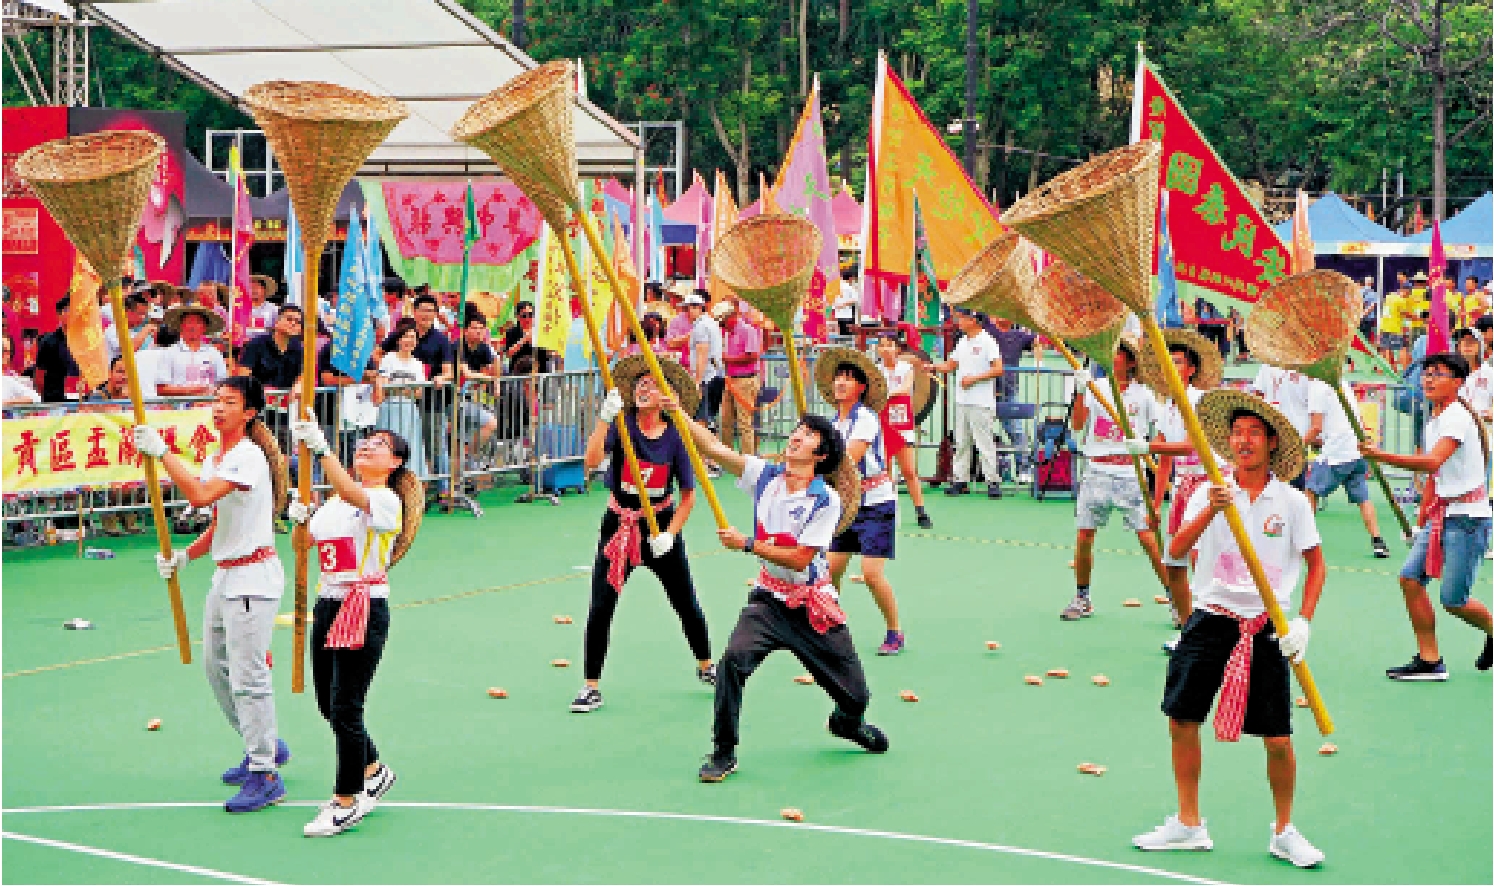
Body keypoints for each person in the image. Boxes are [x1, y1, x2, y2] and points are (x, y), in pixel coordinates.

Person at [1134, 390, 1324, 869]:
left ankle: (1284, 830)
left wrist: (1303, 620)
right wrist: (1211, 509)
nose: (1244, 441)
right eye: (1237, 433)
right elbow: (1174, 551)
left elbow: (1316, 564)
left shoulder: (1293, 501)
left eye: (1254, 433)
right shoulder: (1209, 491)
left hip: (1268, 625)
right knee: (1181, 719)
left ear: (1272, 442)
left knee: (1278, 738)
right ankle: (1188, 823)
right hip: (1211, 616)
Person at [673, 406, 889, 782]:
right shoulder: (766, 476)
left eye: (808, 434)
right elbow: (711, 447)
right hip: (769, 600)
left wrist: (747, 544)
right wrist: (677, 412)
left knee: (856, 697)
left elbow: (801, 558)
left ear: (821, 455)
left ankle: (846, 723)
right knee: (732, 663)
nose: (796, 435)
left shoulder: (826, 500)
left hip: (812, 604)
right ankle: (723, 751)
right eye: (798, 430)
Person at [135, 376, 292, 813]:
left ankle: (264, 772)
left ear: (250, 412)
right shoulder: (215, 456)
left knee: (249, 676)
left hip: (254, 577)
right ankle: (262, 743)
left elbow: (201, 495)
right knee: (214, 666)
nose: (219, 408)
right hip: (226, 574)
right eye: (216, 400)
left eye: (230, 402)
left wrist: (163, 453)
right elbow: (218, 520)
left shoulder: (249, 456)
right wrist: (187, 556)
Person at [288, 417, 422, 837]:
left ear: (395, 462)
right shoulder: (334, 503)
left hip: (363, 604)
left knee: (347, 707)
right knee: (327, 704)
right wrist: (298, 518)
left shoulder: (384, 500)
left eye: (378, 445)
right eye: (364, 442)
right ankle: (374, 769)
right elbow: (304, 546)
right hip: (328, 602)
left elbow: (352, 492)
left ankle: (345, 800)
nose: (366, 447)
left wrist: (321, 450)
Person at [571, 355, 713, 713]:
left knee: (686, 602)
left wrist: (670, 534)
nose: (643, 388)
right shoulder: (622, 424)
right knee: (601, 605)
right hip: (619, 525)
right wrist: (604, 420)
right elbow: (590, 461)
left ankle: (707, 665)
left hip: (660, 526)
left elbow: (689, 497)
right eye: (639, 384)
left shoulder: (675, 437)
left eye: (652, 383)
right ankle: (591, 686)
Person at [1361, 352, 1493, 679]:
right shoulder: (1436, 418)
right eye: (1427, 373)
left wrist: (1380, 455)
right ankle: (1430, 660)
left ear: (1458, 382)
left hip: (1468, 519)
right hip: (1442, 514)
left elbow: (1433, 462)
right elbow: (1438, 475)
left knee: (1454, 601)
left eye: (1439, 374)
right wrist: (1424, 511)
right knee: (1410, 580)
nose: (1429, 379)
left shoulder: (1457, 418)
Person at [1064, 339, 1167, 619]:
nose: (1110, 357)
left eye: (1118, 354)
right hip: (1096, 470)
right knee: (1085, 535)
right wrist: (1080, 392)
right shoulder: (1097, 387)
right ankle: (1082, 597)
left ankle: (1176, 600)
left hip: (1130, 472)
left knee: (1148, 538)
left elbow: (1160, 432)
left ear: (1131, 362)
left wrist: (1147, 447)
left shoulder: (1144, 395)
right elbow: (1077, 424)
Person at [818, 347, 907, 656]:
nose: (841, 383)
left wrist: (814, 464)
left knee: (871, 573)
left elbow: (847, 461)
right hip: (844, 505)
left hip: (876, 503)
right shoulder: (831, 423)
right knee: (830, 572)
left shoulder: (866, 418)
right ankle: (829, 628)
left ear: (861, 387)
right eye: (838, 378)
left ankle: (895, 631)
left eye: (849, 379)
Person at [1137, 330, 1222, 652]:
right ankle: (1190, 630)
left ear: (1191, 369)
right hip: (1184, 486)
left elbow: (1190, 446)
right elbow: (1163, 458)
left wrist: (1147, 446)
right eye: (1166, 363)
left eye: (1177, 362)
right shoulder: (1167, 406)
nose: (1171, 368)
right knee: (1175, 560)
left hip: (1207, 482)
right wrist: (1155, 504)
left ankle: (1206, 628)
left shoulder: (1199, 401)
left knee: (1200, 559)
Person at [1303, 373, 1389, 558]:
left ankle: (1305, 540)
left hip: (1336, 454)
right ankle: (1378, 540)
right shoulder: (1340, 382)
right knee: (1363, 499)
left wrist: (1296, 446)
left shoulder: (1317, 387)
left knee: (1310, 492)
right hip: (1356, 450)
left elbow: (1316, 427)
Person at [928, 307, 1006, 499]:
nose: (959, 321)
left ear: (974, 320)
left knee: (984, 442)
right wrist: (931, 366)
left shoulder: (988, 341)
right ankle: (960, 480)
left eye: (963, 318)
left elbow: (998, 369)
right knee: (961, 442)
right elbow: (950, 365)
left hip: (981, 401)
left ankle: (992, 481)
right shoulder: (963, 342)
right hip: (962, 400)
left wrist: (975, 379)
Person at [874, 330, 932, 528]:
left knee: (908, 470)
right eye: (881, 345)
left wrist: (886, 394)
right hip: (883, 423)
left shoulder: (907, 367)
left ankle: (921, 511)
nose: (885, 349)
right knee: (886, 471)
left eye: (889, 344)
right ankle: (889, 511)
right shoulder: (875, 369)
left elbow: (905, 389)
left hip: (902, 422)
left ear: (897, 349)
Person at [989, 316, 1044, 480]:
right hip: (985, 389)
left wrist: (1038, 361)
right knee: (981, 432)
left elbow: (1037, 340)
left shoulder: (1019, 335)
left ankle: (1024, 470)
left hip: (1009, 390)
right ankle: (983, 472)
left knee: (1016, 431)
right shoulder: (988, 331)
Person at [377, 319, 429, 480]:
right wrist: (406, 389)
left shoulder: (417, 364)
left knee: (410, 446)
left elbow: (419, 392)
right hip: (390, 409)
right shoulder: (389, 359)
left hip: (409, 410)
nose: (409, 341)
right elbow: (384, 387)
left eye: (413, 337)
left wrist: (399, 388)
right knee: (389, 446)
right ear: (399, 339)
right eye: (406, 336)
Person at [1250, 363, 1313, 489]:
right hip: (1285, 432)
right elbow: (1257, 396)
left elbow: (1257, 397)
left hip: (1291, 433)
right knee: (1283, 483)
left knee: (1288, 484)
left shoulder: (1268, 365)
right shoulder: (1268, 366)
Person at [454, 312, 500, 471]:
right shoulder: (457, 346)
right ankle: (469, 457)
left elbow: (494, 367)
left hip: (470, 398)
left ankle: (465, 468)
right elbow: (467, 374)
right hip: (450, 399)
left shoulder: (483, 347)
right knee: (490, 423)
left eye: (482, 328)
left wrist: (494, 382)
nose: (479, 331)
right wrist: (488, 379)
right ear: (465, 330)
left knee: (463, 436)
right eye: (474, 328)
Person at [717, 300, 762, 455]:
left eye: (722, 323)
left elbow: (753, 356)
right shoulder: (729, 333)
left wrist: (727, 359)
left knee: (744, 422)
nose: (722, 327)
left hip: (745, 380)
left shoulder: (747, 330)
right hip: (732, 379)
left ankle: (747, 460)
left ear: (731, 317)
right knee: (725, 421)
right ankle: (728, 457)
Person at [157, 304, 228, 397]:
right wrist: (192, 390)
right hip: (179, 409)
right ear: (181, 325)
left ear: (204, 327)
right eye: (189, 322)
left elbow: (223, 384)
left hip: (208, 408)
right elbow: (161, 389)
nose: (193, 326)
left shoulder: (214, 353)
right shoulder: (170, 353)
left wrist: (212, 391)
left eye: (198, 322)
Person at [235, 305, 304, 392]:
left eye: (298, 322)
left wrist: (298, 385)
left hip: (287, 401)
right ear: (276, 322)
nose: (293, 324)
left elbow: (303, 374)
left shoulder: (298, 348)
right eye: (289, 319)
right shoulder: (256, 344)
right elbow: (243, 376)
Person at [683, 292, 724, 426]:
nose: (685, 313)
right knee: (708, 420)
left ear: (697, 308)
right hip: (714, 376)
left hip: (707, 378)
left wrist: (697, 382)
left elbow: (702, 354)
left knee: (702, 421)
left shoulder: (701, 326)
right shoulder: (710, 323)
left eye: (687, 308)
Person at [32, 295, 81, 402]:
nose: (71, 314)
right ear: (60, 315)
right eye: (67, 310)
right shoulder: (49, 342)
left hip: (81, 398)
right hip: (55, 399)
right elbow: (40, 375)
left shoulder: (86, 340)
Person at [501, 301, 556, 373]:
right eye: (524, 316)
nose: (527, 319)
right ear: (517, 316)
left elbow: (550, 351)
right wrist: (524, 339)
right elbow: (508, 354)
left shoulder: (542, 331)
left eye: (530, 314)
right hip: (519, 373)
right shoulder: (512, 332)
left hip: (540, 372)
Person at [104, 293, 158, 361]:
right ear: (126, 311)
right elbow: (129, 349)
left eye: (145, 314)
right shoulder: (113, 330)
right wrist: (147, 329)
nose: (143, 318)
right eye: (140, 313)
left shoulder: (136, 331)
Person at [1379, 283, 1410, 372]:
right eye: (1408, 294)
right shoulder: (1401, 301)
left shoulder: (1389, 296)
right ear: (1405, 291)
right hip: (1394, 328)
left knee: (1387, 349)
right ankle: (1405, 371)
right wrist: (1418, 317)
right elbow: (1405, 314)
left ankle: (1391, 370)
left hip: (1384, 326)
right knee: (1401, 349)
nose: (1407, 296)